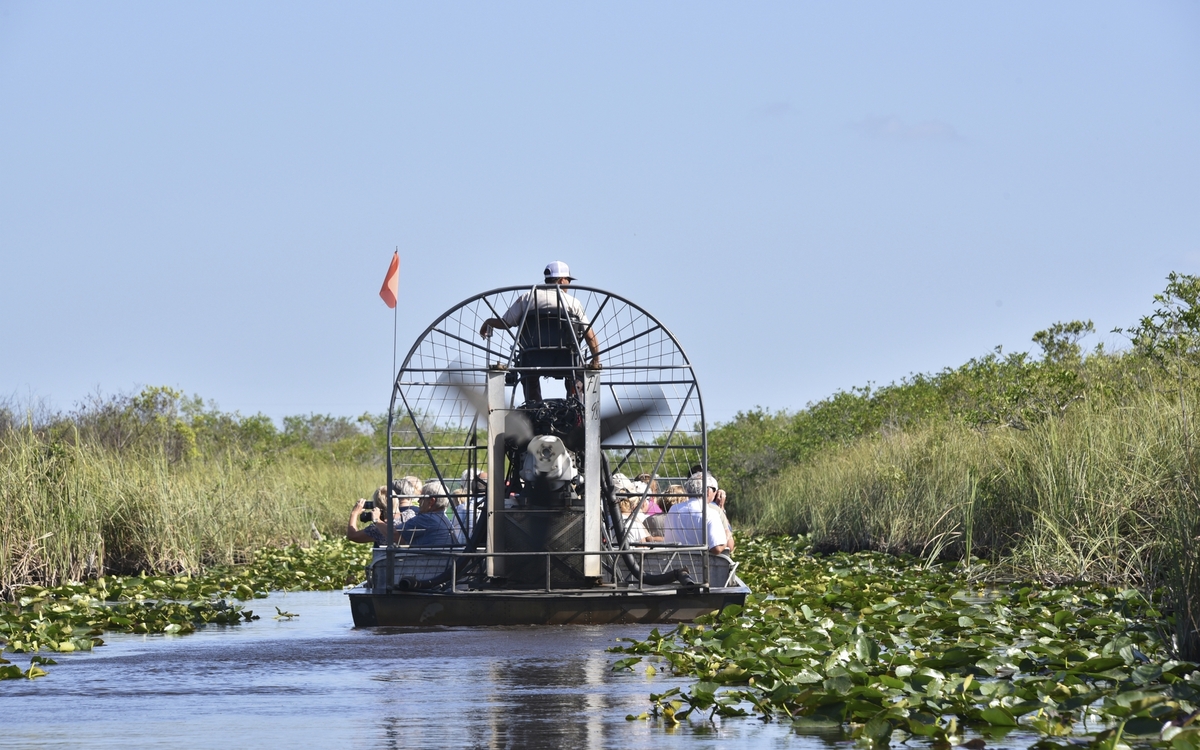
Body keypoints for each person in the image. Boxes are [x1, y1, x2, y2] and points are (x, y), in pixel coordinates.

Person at [478, 261, 602, 403]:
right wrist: (595, 360)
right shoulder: (573, 302)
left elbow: (506, 323)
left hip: (531, 358)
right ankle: (576, 406)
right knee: (578, 372)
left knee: (526, 371)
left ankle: (534, 407)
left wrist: (489, 322)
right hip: (567, 359)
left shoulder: (527, 298)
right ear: (562, 280)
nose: (569, 284)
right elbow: (589, 335)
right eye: (568, 280)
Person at [661, 472, 730, 555]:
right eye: (715, 489)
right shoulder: (710, 513)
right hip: (701, 565)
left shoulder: (673, 509)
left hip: (673, 563)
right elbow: (717, 549)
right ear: (708, 491)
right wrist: (726, 537)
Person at [395, 480, 457, 547]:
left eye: (421, 498)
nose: (418, 501)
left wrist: (381, 522)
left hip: (430, 557)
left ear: (431, 501)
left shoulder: (427, 518)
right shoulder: (443, 518)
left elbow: (394, 535)